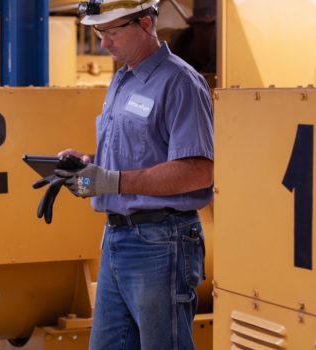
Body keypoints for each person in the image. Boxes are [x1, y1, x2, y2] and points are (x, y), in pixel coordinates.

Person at [56, 0, 214, 349]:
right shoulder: (123, 80)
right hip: (117, 239)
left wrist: (112, 182)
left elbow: (199, 171)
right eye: (100, 33)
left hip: (161, 242)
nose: (104, 43)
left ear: (145, 23)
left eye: (112, 32)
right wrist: (87, 164)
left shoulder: (180, 83)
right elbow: (133, 155)